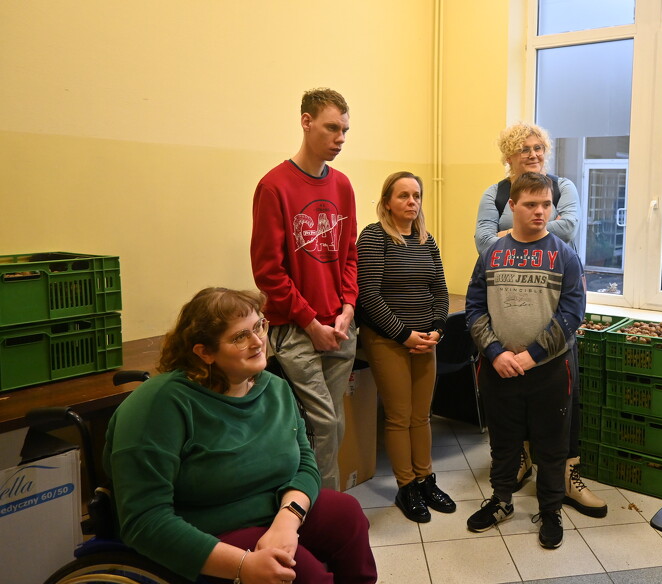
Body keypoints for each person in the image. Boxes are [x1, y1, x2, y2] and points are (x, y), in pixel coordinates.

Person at [103, 288, 378, 584]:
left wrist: (288, 519)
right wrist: (244, 566)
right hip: (208, 530)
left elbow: (305, 465)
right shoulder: (159, 405)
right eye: (239, 337)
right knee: (300, 572)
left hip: (275, 512)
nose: (258, 341)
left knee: (348, 515)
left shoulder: (274, 388)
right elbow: (145, 520)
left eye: (259, 326)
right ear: (204, 352)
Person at [474, 122, 606, 518]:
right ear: (509, 157)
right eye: (524, 149)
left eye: (538, 148)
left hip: (551, 335)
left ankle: (563, 483)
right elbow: (483, 242)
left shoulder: (562, 188)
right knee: (507, 424)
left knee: (561, 420)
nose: (533, 155)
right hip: (502, 340)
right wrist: (496, 352)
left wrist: (516, 228)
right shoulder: (494, 194)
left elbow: (567, 228)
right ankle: (512, 475)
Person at [465, 172, 586, 550]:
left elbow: (572, 313)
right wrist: (496, 353)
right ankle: (501, 501)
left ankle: (550, 510)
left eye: (546, 205)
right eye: (531, 204)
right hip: (498, 368)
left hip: (550, 370)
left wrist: (532, 356)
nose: (540, 212)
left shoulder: (564, 255)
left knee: (551, 447)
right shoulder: (491, 254)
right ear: (513, 206)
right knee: (504, 443)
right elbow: (474, 308)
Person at [251, 88, 358, 492]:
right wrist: (310, 323)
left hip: (339, 325)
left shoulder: (342, 186)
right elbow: (268, 273)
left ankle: (319, 503)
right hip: (297, 327)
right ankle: (322, 507)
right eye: (332, 128)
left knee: (334, 422)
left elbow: (349, 255)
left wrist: (348, 307)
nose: (340, 139)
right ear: (306, 122)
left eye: (345, 130)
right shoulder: (274, 186)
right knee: (323, 423)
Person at [356, 171, 454, 523]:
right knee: (399, 416)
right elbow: (368, 296)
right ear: (387, 202)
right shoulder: (374, 237)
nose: (412, 202)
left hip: (426, 340)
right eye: (403, 196)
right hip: (388, 340)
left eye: (416, 195)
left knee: (421, 415)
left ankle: (426, 479)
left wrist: (437, 330)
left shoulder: (427, 240)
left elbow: (440, 290)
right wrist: (404, 335)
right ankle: (406, 486)